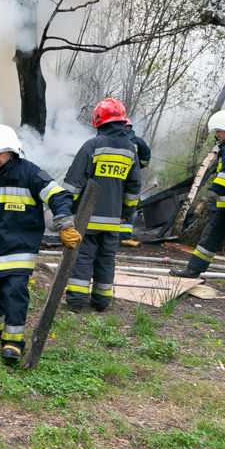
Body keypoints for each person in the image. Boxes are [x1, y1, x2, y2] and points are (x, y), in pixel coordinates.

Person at [0, 124, 79, 360]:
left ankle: (13, 341)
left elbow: (58, 195)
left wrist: (65, 224)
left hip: (18, 249)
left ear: (12, 151)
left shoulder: (30, 174)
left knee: (15, 291)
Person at [63, 98, 142, 312]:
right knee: (106, 261)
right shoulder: (130, 149)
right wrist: (126, 212)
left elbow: (74, 182)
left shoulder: (93, 146)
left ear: (99, 120)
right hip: (113, 221)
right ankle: (101, 302)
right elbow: (134, 187)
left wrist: (67, 210)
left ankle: (76, 303)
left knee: (82, 259)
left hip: (87, 219)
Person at [171, 110, 225, 278]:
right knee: (209, 238)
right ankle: (193, 270)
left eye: (218, 131)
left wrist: (209, 197)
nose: (217, 135)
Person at [119, 119, 152, 247]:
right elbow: (146, 159)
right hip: (131, 181)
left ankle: (109, 234)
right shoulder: (138, 142)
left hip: (114, 180)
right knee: (130, 206)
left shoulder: (113, 141)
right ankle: (124, 237)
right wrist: (137, 168)